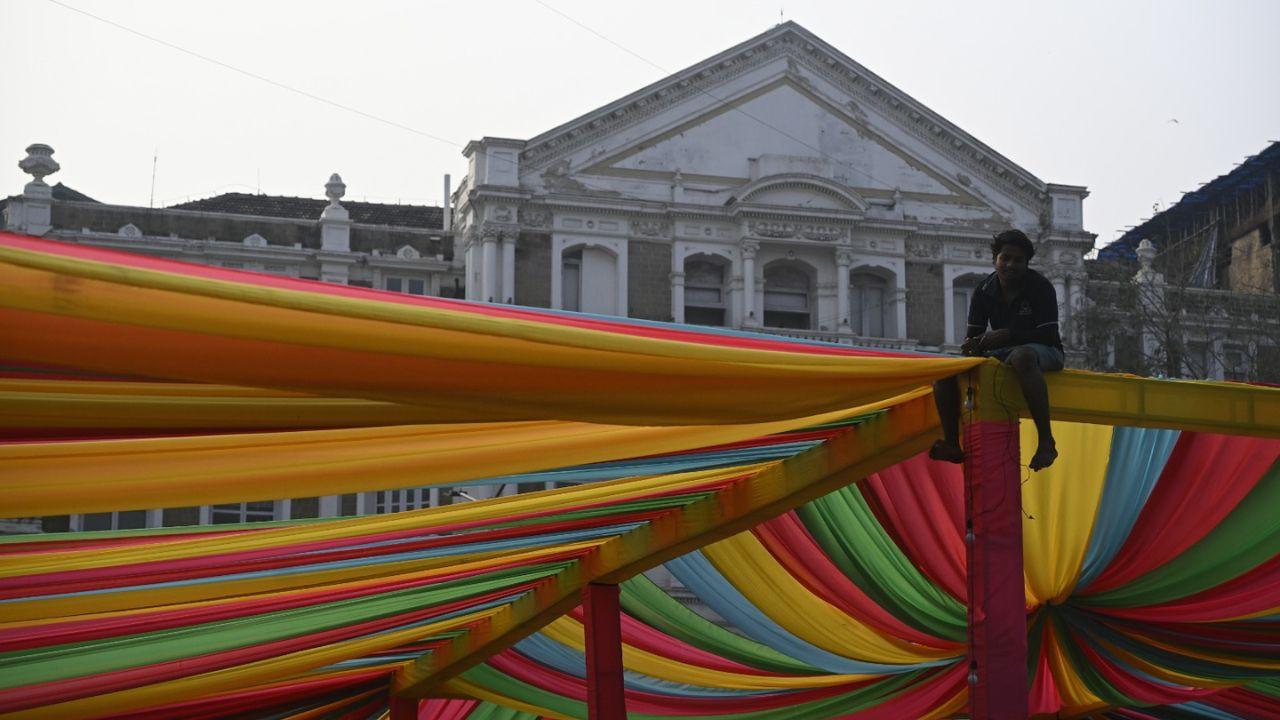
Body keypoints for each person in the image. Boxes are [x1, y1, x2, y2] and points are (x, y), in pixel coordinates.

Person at [929, 229, 1064, 470]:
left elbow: (1049, 334)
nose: (1010, 265)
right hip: (1004, 353)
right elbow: (973, 336)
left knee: (1022, 356)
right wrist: (973, 346)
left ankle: (1046, 441)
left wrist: (1009, 335)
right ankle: (952, 442)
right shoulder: (983, 290)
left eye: (1018, 260)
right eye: (1005, 258)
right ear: (995, 259)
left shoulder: (1040, 287)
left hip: (1044, 351)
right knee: (945, 371)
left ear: (1026, 263)